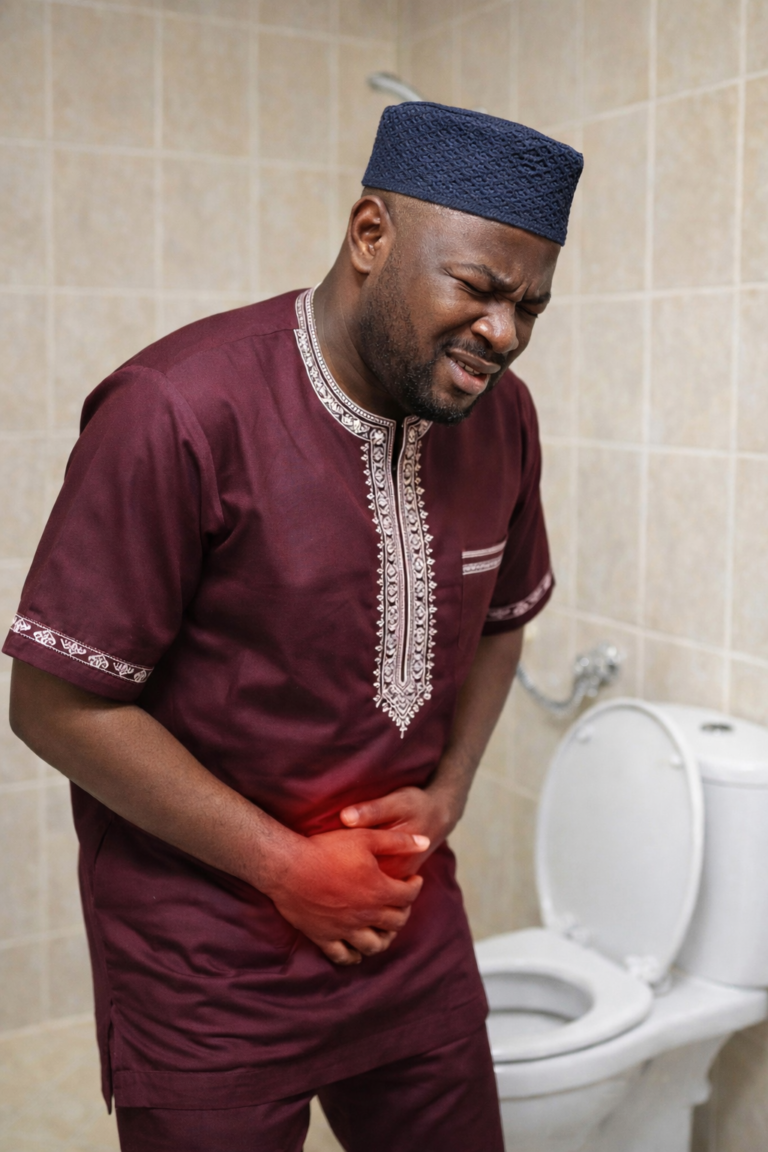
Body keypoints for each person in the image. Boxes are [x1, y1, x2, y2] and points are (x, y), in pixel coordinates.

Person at [5, 102, 582, 1151]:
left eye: (531, 305)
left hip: (402, 923)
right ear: (372, 236)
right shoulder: (176, 412)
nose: (505, 333)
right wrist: (284, 868)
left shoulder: (503, 418)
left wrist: (447, 795)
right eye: (480, 288)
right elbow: (55, 704)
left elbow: (504, 619)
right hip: (204, 947)